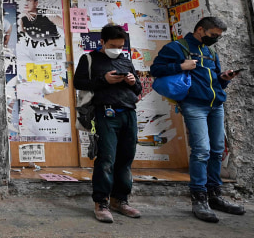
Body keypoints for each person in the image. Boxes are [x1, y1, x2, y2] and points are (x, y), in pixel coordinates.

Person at [151, 17, 245, 223]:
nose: (215, 39)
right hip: (194, 105)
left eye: (218, 36)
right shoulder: (177, 48)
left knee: (216, 151)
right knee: (201, 150)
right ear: (200, 29)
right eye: (213, 35)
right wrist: (180, 66)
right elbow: (155, 70)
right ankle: (199, 198)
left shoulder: (210, 52)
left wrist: (224, 79)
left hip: (216, 105)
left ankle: (215, 195)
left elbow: (214, 81)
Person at [73, 24, 142, 223]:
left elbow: (138, 89)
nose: (117, 49)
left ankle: (120, 200)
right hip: (105, 113)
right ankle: (101, 201)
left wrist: (132, 82)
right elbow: (79, 83)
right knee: (106, 159)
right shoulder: (89, 59)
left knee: (126, 158)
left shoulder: (125, 60)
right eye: (113, 45)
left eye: (120, 46)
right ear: (102, 42)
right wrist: (103, 80)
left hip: (128, 112)